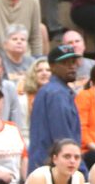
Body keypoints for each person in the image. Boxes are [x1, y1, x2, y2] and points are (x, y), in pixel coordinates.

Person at [28, 44, 85, 175]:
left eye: (73, 62)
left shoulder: (51, 90)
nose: (72, 66)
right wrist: (82, 172)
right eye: (65, 63)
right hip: (53, 172)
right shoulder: (57, 94)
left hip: (44, 169)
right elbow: (64, 141)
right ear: (52, 67)